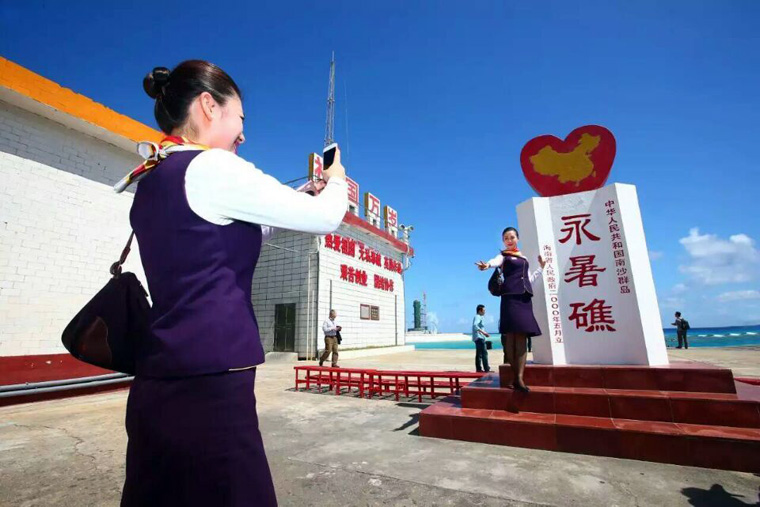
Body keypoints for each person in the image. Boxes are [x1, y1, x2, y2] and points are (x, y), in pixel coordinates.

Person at [119, 61, 348, 507]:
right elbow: (328, 218)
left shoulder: (153, 177)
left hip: (158, 376)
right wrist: (337, 178)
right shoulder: (214, 168)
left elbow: (217, 234)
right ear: (208, 105)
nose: (243, 134)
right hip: (212, 382)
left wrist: (294, 199)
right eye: (240, 118)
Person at [476, 227, 545, 392]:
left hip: (524, 298)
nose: (509, 240)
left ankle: (519, 378)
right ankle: (515, 377)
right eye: (506, 238)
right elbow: (494, 261)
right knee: (512, 338)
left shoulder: (524, 258)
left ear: (517, 238)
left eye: (512, 237)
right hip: (510, 298)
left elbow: (529, 279)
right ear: (503, 241)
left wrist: (541, 268)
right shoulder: (503, 256)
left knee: (521, 339)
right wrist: (487, 265)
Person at [472, 304, 491, 373]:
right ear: (480, 310)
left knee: (479, 354)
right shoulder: (478, 317)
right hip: (479, 337)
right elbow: (475, 326)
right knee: (484, 353)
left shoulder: (478, 317)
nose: (484, 312)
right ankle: (486, 369)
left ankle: (479, 369)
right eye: (484, 310)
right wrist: (484, 333)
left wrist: (484, 333)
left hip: (478, 337)